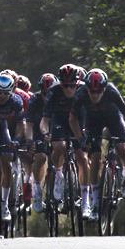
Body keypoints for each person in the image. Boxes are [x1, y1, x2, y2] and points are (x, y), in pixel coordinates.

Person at [69, 68, 125, 220]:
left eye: (98, 91)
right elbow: (72, 119)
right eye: (91, 91)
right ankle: (95, 202)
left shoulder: (112, 92)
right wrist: (80, 138)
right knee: (95, 159)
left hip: (114, 118)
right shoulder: (80, 94)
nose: (94, 95)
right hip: (93, 121)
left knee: (121, 148)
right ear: (87, 89)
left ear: (104, 89)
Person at [39, 64, 88, 209]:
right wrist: (45, 133)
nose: (68, 89)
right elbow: (45, 120)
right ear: (60, 83)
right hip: (59, 120)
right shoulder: (53, 91)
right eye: (65, 85)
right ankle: (59, 176)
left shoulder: (84, 89)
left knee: (83, 158)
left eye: (72, 85)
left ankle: (85, 201)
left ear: (77, 83)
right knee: (59, 146)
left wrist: (87, 130)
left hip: (79, 122)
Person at [0, 73, 25, 222]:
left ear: (12, 92)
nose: (2, 96)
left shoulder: (16, 100)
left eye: (6, 93)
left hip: (2, 129)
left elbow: (21, 123)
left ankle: (3, 204)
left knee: (7, 164)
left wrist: (16, 139)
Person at [24, 74, 57, 212]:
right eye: (44, 93)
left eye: (49, 93)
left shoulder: (60, 97)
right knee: (40, 157)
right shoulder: (35, 99)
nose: (46, 96)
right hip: (38, 130)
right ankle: (37, 190)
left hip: (56, 128)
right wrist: (30, 141)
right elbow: (29, 124)